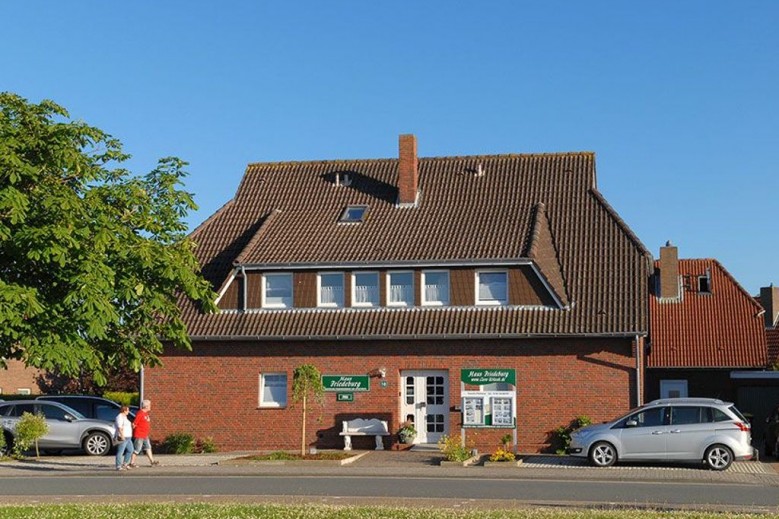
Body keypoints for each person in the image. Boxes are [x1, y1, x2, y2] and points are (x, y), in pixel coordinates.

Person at [130, 399, 159, 467]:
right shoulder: (140, 413)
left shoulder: (145, 414)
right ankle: (131, 463)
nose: (150, 407)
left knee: (148, 447)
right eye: (149, 405)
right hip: (139, 435)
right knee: (137, 449)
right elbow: (134, 424)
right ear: (146, 406)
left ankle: (152, 461)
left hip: (145, 435)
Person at [114, 406, 134, 471]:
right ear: (124, 411)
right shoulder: (119, 417)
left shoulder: (125, 417)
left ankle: (125, 463)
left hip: (128, 437)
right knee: (121, 451)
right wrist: (122, 436)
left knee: (130, 450)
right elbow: (119, 427)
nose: (128, 412)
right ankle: (118, 466)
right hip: (123, 436)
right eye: (127, 410)